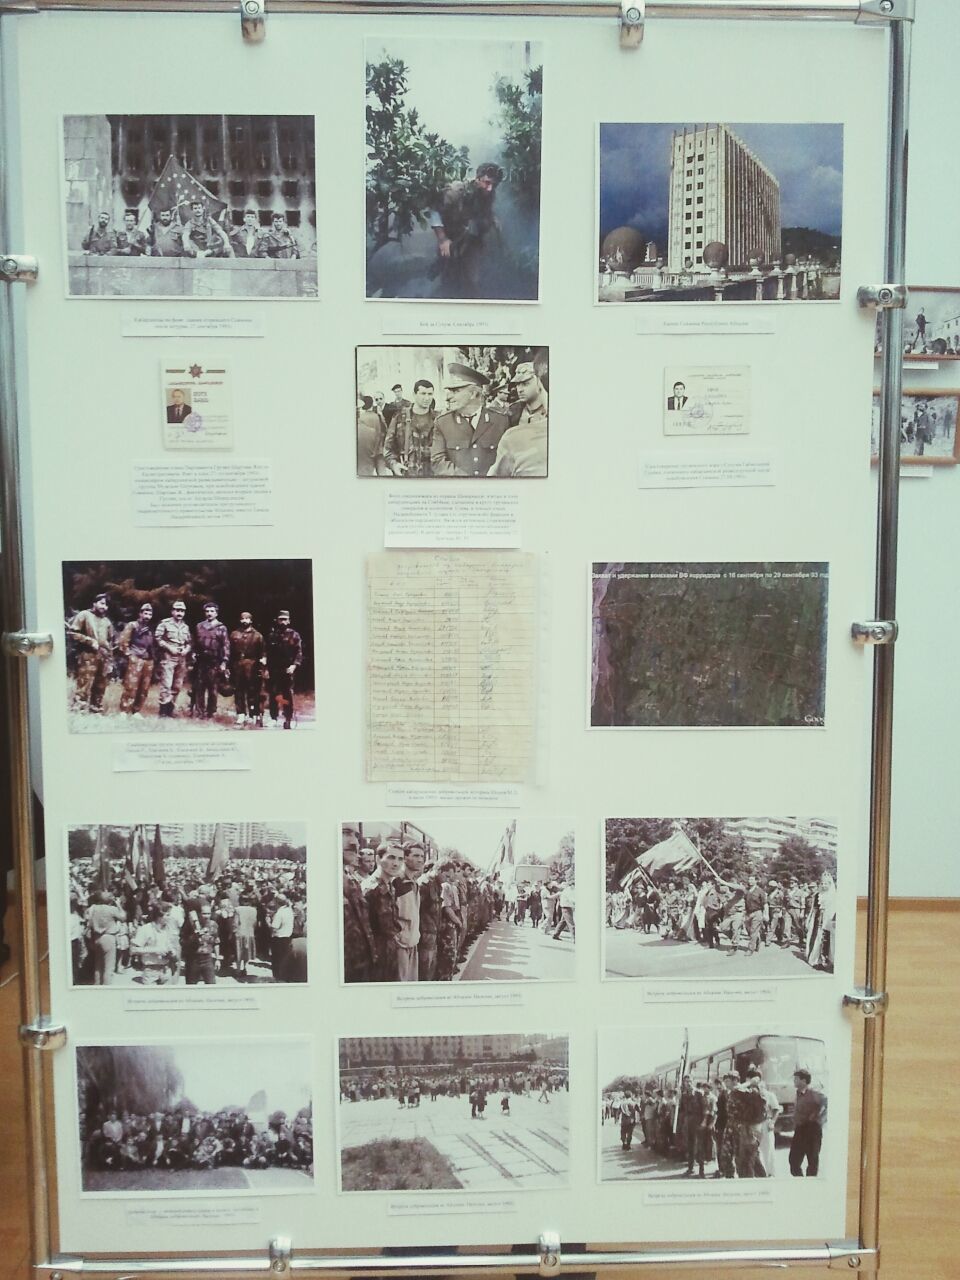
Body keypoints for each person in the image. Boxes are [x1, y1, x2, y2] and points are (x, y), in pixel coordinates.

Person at [429, 162, 503, 299]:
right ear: (477, 178)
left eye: (495, 184)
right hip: (449, 237)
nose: (490, 188)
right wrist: (442, 239)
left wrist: (493, 219)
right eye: (487, 183)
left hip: (470, 239)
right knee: (448, 277)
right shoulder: (457, 191)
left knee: (471, 280)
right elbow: (434, 212)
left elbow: (486, 209)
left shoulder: (489, 193)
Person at [430, 363, 509, 477]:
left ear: (473, 393)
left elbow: (507, 461)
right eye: (449, 391)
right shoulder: (443, 423)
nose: (448, 397)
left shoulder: (500, 421)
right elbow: (438, 462)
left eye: (456, 391)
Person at [488, 363, 549, 478]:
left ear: (539, 382)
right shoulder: (511, 412)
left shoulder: (550, 412)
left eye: (526, 384)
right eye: (518, 385)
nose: (520, 389)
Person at [363, 842, 404, 982]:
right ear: (378, 859)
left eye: (400, 859)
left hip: (389, 954)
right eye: (391, 857)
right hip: (375, 959)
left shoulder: (389, 886)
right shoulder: (370, 889)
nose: (396, 863)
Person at [68, 593, 115, 713]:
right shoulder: (85, 615)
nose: (104, 607)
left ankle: (96, 708)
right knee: (85, 682)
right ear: (94, 603)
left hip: (103, 656)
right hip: (88, 655)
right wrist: (89, 641)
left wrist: (110, 660)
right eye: (102, 603)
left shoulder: (107, 621)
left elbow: (110, 642)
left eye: (106, 605)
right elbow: (73, 633)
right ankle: (79, 708)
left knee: (100, 684)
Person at [383, 379, 438, 477]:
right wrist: (394, 465)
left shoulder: (438, 419)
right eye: (423, 393)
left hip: (432, 475)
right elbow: (387, 448)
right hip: (407, 474)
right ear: (414, 394)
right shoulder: (400, 417)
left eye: (430, 394)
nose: (427, 398)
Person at [342, 826, 376, 983]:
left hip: (361, 967)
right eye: (345, 833)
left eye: (356, 835)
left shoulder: (350, 881)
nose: (354, 841)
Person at [117, 602, 156, 718]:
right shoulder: (132, 625)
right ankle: (124, 710)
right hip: (136, 658)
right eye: (145, 613)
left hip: (147, 660)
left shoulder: (150, 629)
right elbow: (123, 642)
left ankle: (136, 710)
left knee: (144, 687)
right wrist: (130, 655)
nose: (147, 616)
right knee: (130, 685)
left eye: (150, 614)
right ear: (140, 613)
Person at [154, 600, 192, 719]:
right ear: (172, 611)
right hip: (168, 656)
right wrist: (169, 647)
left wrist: (187, 649)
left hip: (182, 658)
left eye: (182, 611)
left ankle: (171, 709)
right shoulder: (165, 623)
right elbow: (158, 638)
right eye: (177, 610)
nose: (179, 613)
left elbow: (189, 642)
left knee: (177, 685)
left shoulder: (185, 627)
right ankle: (163, 712)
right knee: (166, 684)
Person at [265, 608, 302, 729]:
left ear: (289, 621)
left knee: (287, 695)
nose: (282, 622)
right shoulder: (272, 635)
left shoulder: (294, 635)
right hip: (274, 669)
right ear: (277, 620)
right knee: (274, 694)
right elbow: (267, 652)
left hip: (288, 669)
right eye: (280, 619)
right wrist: (266, 667)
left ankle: (288, 718)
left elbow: (299, 652)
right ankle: (273, 718)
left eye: (285, 619)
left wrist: (294, 665)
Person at [193, 601, 229, 720]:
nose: (209, 613)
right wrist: (193, 653)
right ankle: (200, 712)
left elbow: (225, 645)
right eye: (207, 611)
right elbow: (195, 642)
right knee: (200, 688)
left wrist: (224, 661)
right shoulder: (199, 626)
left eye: (212, 611)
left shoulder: (221, 627)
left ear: (216, 613)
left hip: (214, 661)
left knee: (213, 689)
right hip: (201, 661)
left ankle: (211, 712)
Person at [394, 841, 424, 982]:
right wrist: (399, 939)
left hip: (412, 944)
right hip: (400, 947)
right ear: (405, 858)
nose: (420, 860)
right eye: (416, 855)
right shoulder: (396, 882)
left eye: (422, 856)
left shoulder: (414, 882)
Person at [230, 611, 265, 727]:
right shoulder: (234, 634)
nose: (244, 621)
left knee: (252, 691)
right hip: (237, 665)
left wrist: (262, 663)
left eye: (247, 618)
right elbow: (229, 651)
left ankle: (252, 714)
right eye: (242, 618)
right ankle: (240, 714)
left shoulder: (257, 635)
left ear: (251, 620)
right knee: (238, 690)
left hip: (252, 665)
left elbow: (263, 652)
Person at [789, 1068, 826, 1177]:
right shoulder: (797, 1093)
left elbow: (829, 1105)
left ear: (804, 1081)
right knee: (793, 1161)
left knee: (812, 1159)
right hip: (800, 1129)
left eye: (796, 1079)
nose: (794, 1081)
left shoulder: (814, 1094)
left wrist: (820, 1119)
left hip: (812, 1130)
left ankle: (810, 1185)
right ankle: (801, 1182)